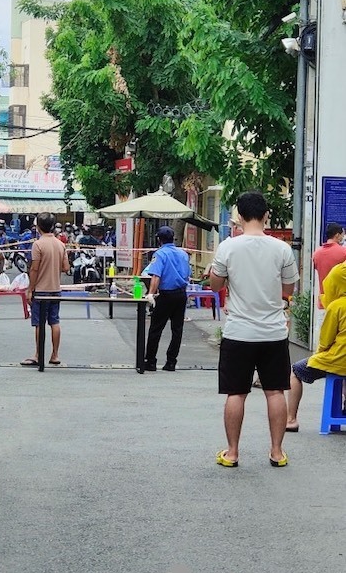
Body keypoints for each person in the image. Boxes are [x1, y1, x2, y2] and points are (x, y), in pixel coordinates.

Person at [210, 191, 298, 468]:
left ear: (239, 215)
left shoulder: (228, 247)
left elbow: (215, 285)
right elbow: (288, 290)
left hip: (239, 332)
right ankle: (277, 452)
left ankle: (232, 452)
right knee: (275, 391)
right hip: (273, 332)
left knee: (236, 393)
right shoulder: (282, 249)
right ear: (265, 215)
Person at [286, 262, 346, 432]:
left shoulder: (337, 306)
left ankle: (291, 420)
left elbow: (326, 341)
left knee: (296, 370)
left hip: (339, 360)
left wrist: (318, 355)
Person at [143, 226, 192, 372]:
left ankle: (150, 361)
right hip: (181, 294)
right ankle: (171, 362)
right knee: (177, 329)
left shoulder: (160, 254)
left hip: (166, 295)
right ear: (173, 238)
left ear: (159, 239)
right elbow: (187, 274)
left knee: (156, 328)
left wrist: (151, 294)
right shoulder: (183, 254)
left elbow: (156, 276)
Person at [23, 213, 69, 366]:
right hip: (56, 290)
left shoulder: (38, 245)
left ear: (38, 227)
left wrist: (30, 289)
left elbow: (34, 269)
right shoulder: (60, 244)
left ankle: (38, 354)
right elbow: (66, 267)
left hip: (41, 291)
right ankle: (55, 355)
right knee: (54, 322)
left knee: (39, 323)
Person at [312, 222, 346, 309]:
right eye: (342, 235)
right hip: (340, 304)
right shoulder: (343, 252)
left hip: (324, 302)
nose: (343, 237)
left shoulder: (316, 254)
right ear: (337, 235)